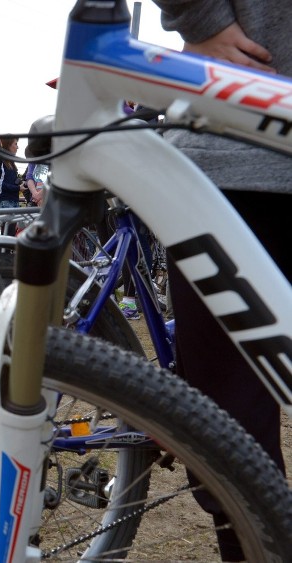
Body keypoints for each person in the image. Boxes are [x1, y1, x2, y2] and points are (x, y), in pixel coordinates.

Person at [150, 2, 290, 560]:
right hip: (230, 153)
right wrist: (200, 17)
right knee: (232, 423)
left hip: (226, 150)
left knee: (229, 418)